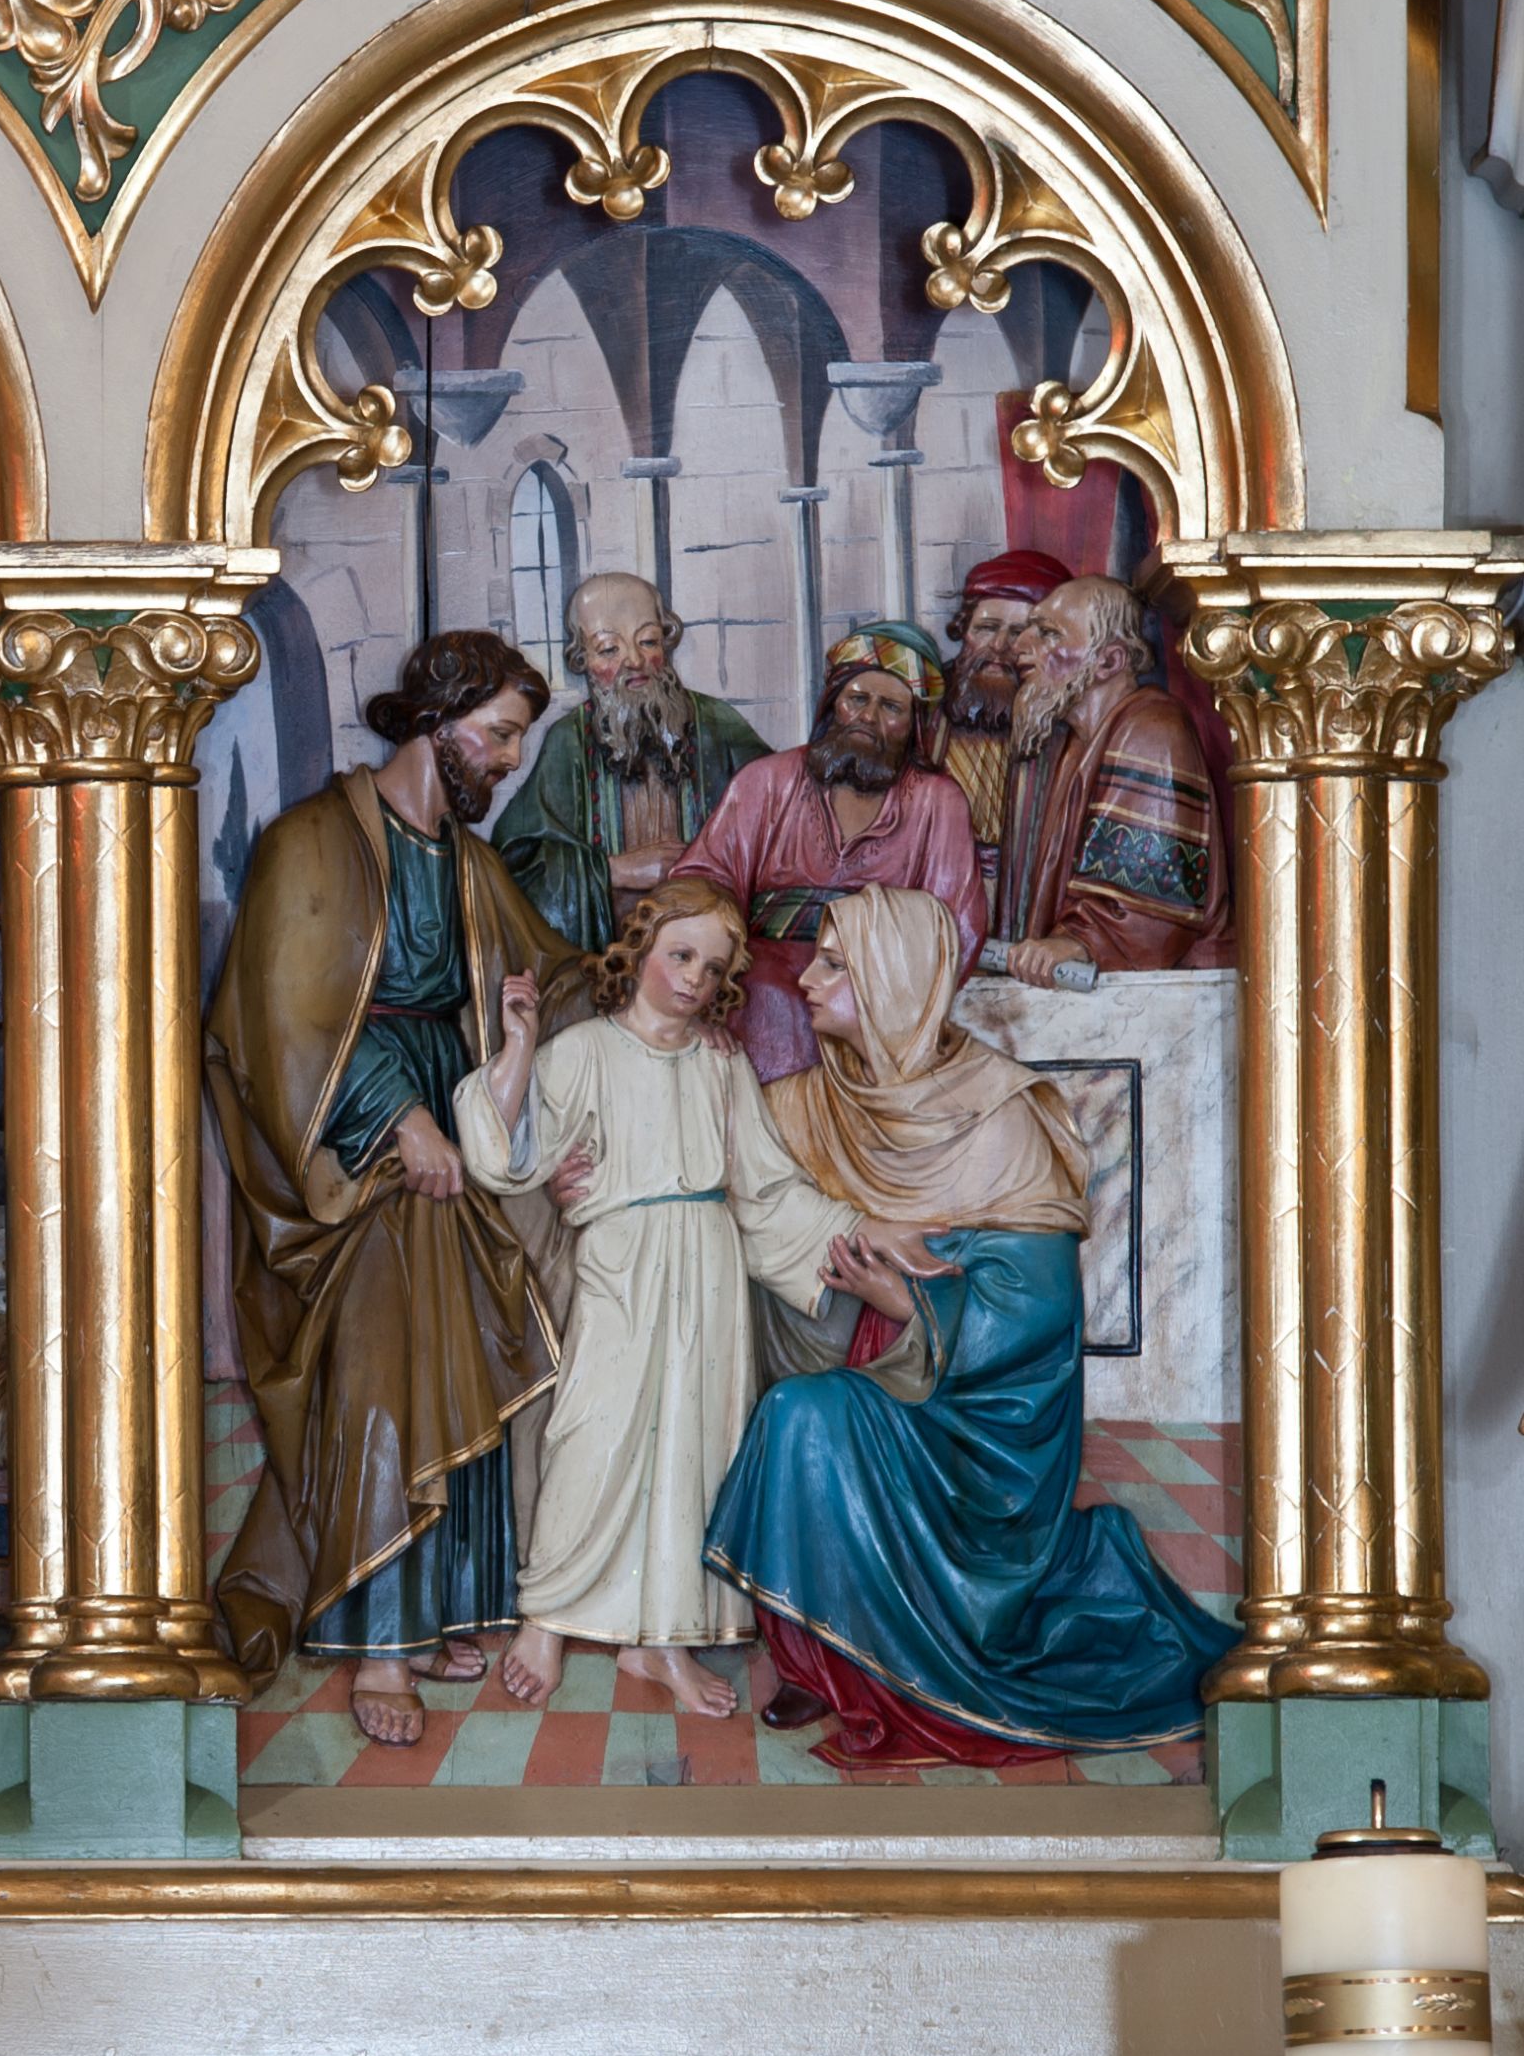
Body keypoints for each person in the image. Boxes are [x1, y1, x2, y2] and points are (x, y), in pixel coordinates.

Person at [703, 885, 1239, 1764]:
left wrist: (907, 1304)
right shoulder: (810, 1103)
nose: (806, 979)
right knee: (801, 1414)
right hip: (872, 1372)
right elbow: (734, 1184)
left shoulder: (998, 1111)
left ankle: (882, 1657)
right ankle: (823, 1660)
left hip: (977, 1423)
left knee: (804, 1417)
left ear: (892, 981)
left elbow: (1041, 1309)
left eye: (835, 965)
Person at [206, 632, 585, 1748]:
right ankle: (380, 1635)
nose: (508, 761)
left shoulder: (469, 864)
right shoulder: (311, 841)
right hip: (338, 1152)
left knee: (473, 1320)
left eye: (517, 741)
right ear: (437, 722)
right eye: (498, 735)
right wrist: (397, 1118)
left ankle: (444, 1608)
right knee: (387, 1329)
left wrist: (651, 967)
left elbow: (552, 974)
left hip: (457, 1128)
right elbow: (283, 1018)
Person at [466, 879, 935, 1718]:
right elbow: (505, 1151)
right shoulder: (586, 1050)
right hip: (622, 1262)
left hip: (709, 1270)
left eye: (713, 969)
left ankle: (663, 1642)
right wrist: (521, 1043)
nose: (693, 979)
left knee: (692, 1452)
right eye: (679, 955)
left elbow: (767, 1190)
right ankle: (548, 1616)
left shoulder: (723, 1063)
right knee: (593, 1433)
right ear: (639, 950)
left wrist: (862, 1228)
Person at [672, 621, 985, 1083]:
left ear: (914, 725)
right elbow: (701, 885)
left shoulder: (937, 802)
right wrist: (705, 988)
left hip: (874, 990)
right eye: (857, 699)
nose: (869, 718)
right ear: (833, 704)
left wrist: (885, 992)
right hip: (756, 977)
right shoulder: (768, 780)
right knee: (768, 995)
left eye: (891, 707)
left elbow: (956, 927)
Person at [490, 572, 771, 951]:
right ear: (583, 659)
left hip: (708, 955)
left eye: (648, 641)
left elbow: (777, 821)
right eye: (609, 649)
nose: (635, 661)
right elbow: (519, 862)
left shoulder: (718, 727)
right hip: (606, 962)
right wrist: (613, 871)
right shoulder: (569, 741)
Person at [995, 575, 1232, 985]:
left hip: (1172, 996)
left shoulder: (1152, 729)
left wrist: (1079, 942)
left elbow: (1152, 902)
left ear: (1109, 661)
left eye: (1048, 633)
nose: (1019, 646)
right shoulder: (1076, 744)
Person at [932, 549, 1073, 905]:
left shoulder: (1069, 724)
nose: (998, 647)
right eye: (986, 628)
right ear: (964, 630)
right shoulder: (925, 712)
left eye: (1019, 632)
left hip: (1033, 899)